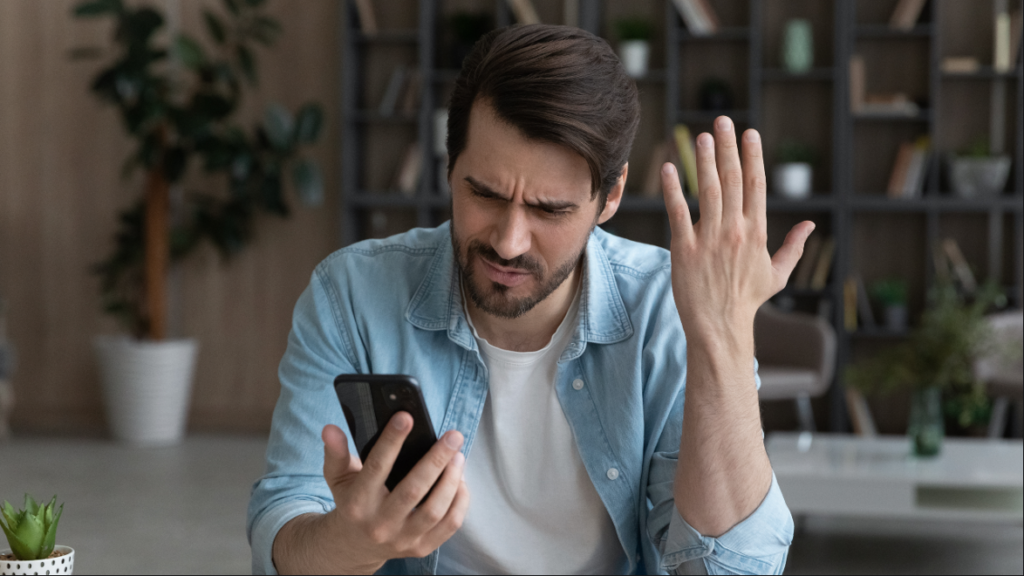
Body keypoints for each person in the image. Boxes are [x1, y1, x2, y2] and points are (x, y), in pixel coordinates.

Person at [248, 24, 811, 575]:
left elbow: (732, 571)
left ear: (610, 197)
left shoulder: (667, 309)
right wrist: (350, 545)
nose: (508, 241)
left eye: (550, 209)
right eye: (484, 193)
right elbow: (285, 528)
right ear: (450, 168)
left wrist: (725, 336)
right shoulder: (350, 294)